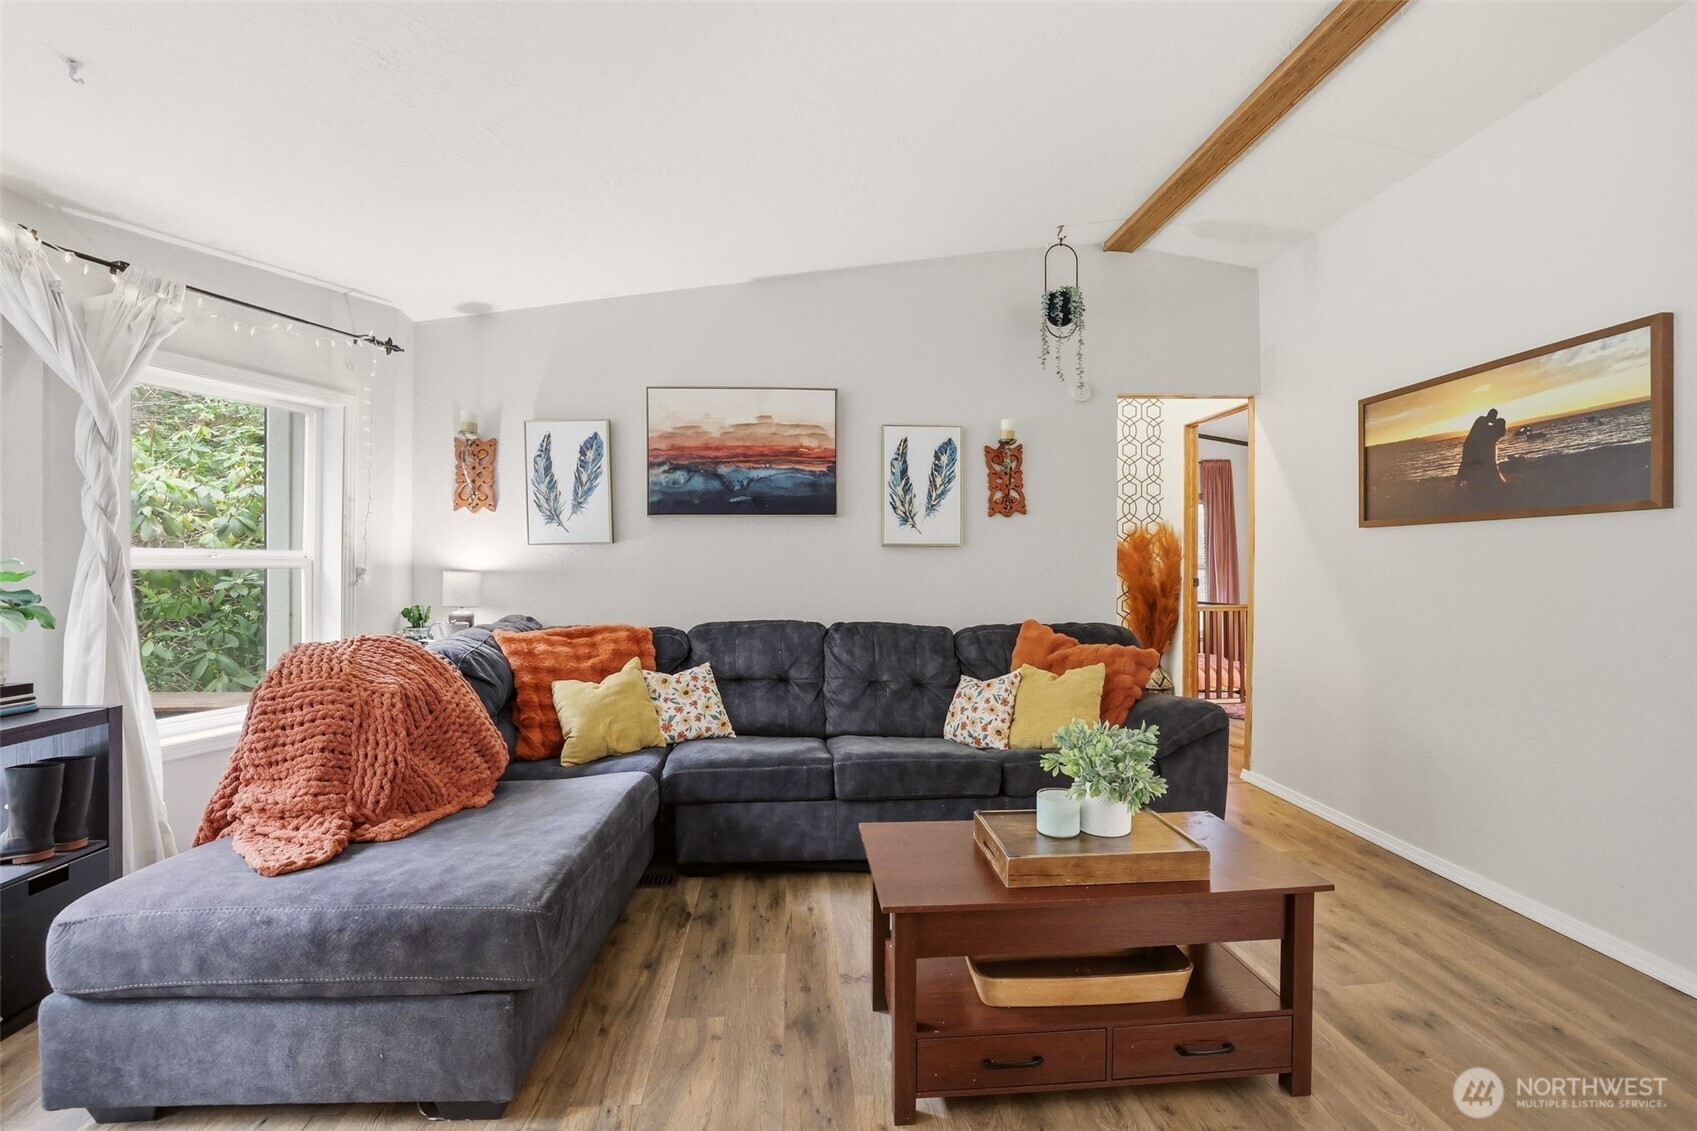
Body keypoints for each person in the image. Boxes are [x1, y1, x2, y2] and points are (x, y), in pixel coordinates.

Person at [1457, 408, 1507, 490]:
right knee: (1466, 464)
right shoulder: (1482, 421)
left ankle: (1469, 484)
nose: (1493, 420)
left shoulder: (1487, 426)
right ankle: (1459, 484)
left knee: (1471, 465)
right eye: (1493, 417)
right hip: (1471, 446)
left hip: (1474, 447)